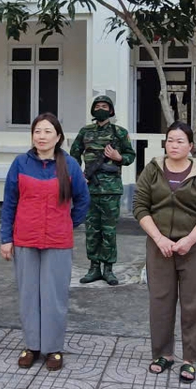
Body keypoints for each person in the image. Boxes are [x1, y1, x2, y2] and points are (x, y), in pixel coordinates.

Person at [0, 113, 90, 371]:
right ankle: (31, 346)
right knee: (28, 295)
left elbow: (83, 201)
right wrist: (6, 238)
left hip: (57, 241)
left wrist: (67, 223)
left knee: (54, 296)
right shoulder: (20, 164)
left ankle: (53, 348)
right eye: (37, 131)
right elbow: (9, 203)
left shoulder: (70, 165)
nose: (42, 136)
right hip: (25, 238)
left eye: (48, 131)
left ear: (58, 136)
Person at [134, 121, 196, 383]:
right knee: (160, 301)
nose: (174, 145)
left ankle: (190, 359)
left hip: (193, 247)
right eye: (170, 140)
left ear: (191, 146)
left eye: (180, 141)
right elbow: (140, 207)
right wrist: (159, 238)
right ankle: (163, 354)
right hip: (159, 246)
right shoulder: (152, 169)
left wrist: (189, 240)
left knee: (195, 303)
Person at [71, 95, 135, 285]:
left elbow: (130, 156)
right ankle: (93, 267)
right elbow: (74, 155)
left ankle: (108, 269)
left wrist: (118, 157)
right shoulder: (85, 132)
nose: (101, 108)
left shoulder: (119, 133)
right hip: (89, 189)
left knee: (108, 231)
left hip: (111, 190)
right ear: (93, 110)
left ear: (111, 110)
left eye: (105, 106)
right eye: (97, 106)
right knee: (92, 231)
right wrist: (79, 175)